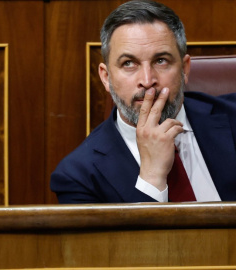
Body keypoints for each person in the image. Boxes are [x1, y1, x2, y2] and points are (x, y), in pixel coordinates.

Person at [51, 0, 236, 204]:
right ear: (106, 77)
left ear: (184, 69)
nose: (148, 81)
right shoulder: (78, 177)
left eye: (161, 60)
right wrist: (152, 177)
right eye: (129, 63)